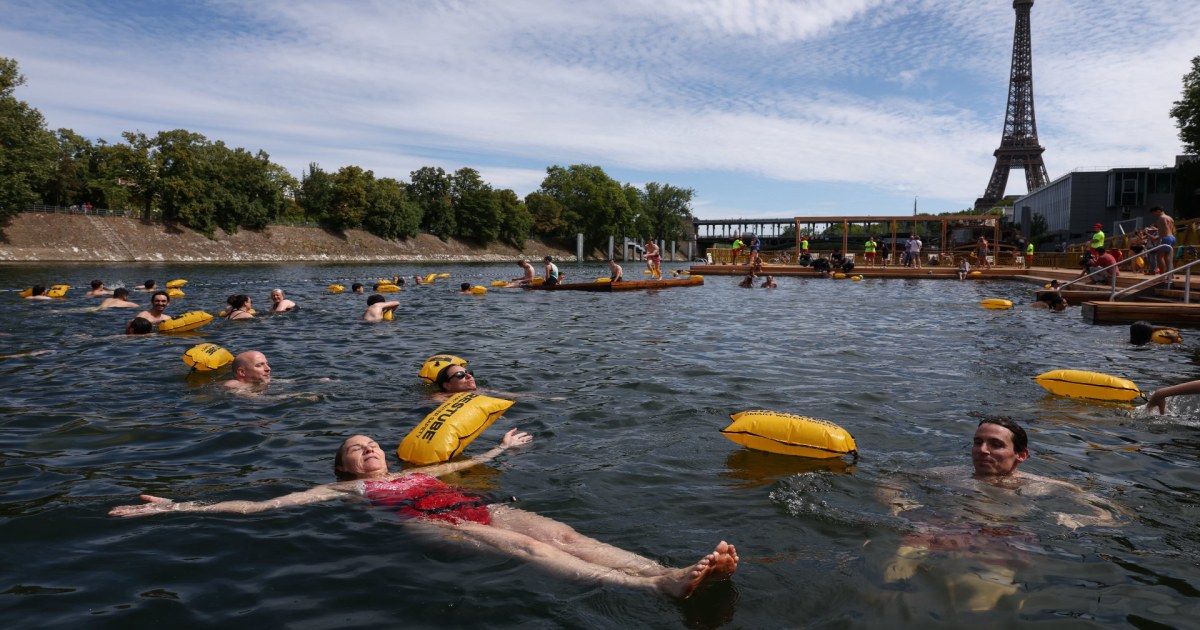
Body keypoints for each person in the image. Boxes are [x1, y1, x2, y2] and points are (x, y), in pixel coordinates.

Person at [108, 431, 738, 599]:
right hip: (429, 521)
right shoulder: (340, 493)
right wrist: (176, 507)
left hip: (473, 504)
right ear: (344, 469)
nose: (371, 449)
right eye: (358, 449)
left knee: (567, 534)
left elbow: (465, 467)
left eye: (373, 442)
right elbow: (256, 505)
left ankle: (671, 569)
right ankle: (657, 588)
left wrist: (502, 450)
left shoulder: (419, 468)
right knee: (537, 554)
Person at [1150, 207, 1176, 278]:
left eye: (1154, 213)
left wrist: (1158, 238)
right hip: (1172, 238)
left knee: (1160, 257)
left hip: (1165, 238)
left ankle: (1162, 275)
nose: (1154, 215)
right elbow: (1169, 229)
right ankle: (1171, 275)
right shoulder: (1170, 218)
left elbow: (1162, 230)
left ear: (1158, 211)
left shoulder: (1161, 218)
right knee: (1168, 257)